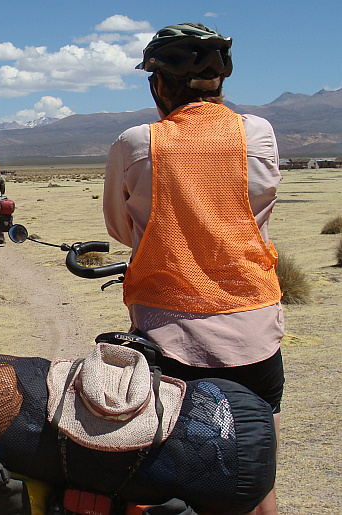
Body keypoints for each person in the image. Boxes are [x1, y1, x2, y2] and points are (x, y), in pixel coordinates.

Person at [102, 23, 283, 515]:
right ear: (221, 79)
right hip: (255, 329)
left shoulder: (136, 143)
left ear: (158, 84)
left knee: (169, 472)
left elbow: (121, 229)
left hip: (169, 339)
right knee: (255, 464)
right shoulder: (259, 133)